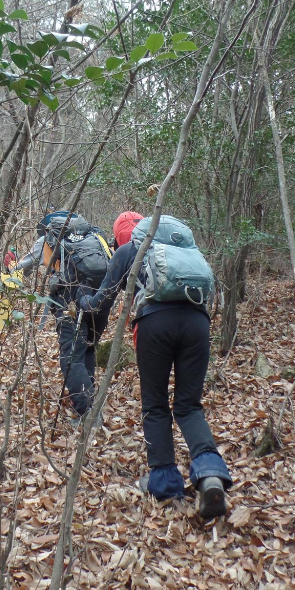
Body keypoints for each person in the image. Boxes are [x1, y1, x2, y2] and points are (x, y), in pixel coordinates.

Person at [76, 212, 232, 519]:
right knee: (189, 406)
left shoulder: (130, 250)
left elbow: (99, 302)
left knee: (156, 405)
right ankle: (210, 471)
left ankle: (165, 482)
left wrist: (81, 299)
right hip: (198, 324)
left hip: (154, 325)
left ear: (120, 234)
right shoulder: (184, 249)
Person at [13, 211, 112, 423]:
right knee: (87, 349)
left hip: (70, 299)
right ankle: (88, 404)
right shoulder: (94, 237)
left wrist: (10, 268)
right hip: (100, 297)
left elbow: (19, 271)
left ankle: (88, 415)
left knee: (71, 358)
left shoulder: (47, 240)